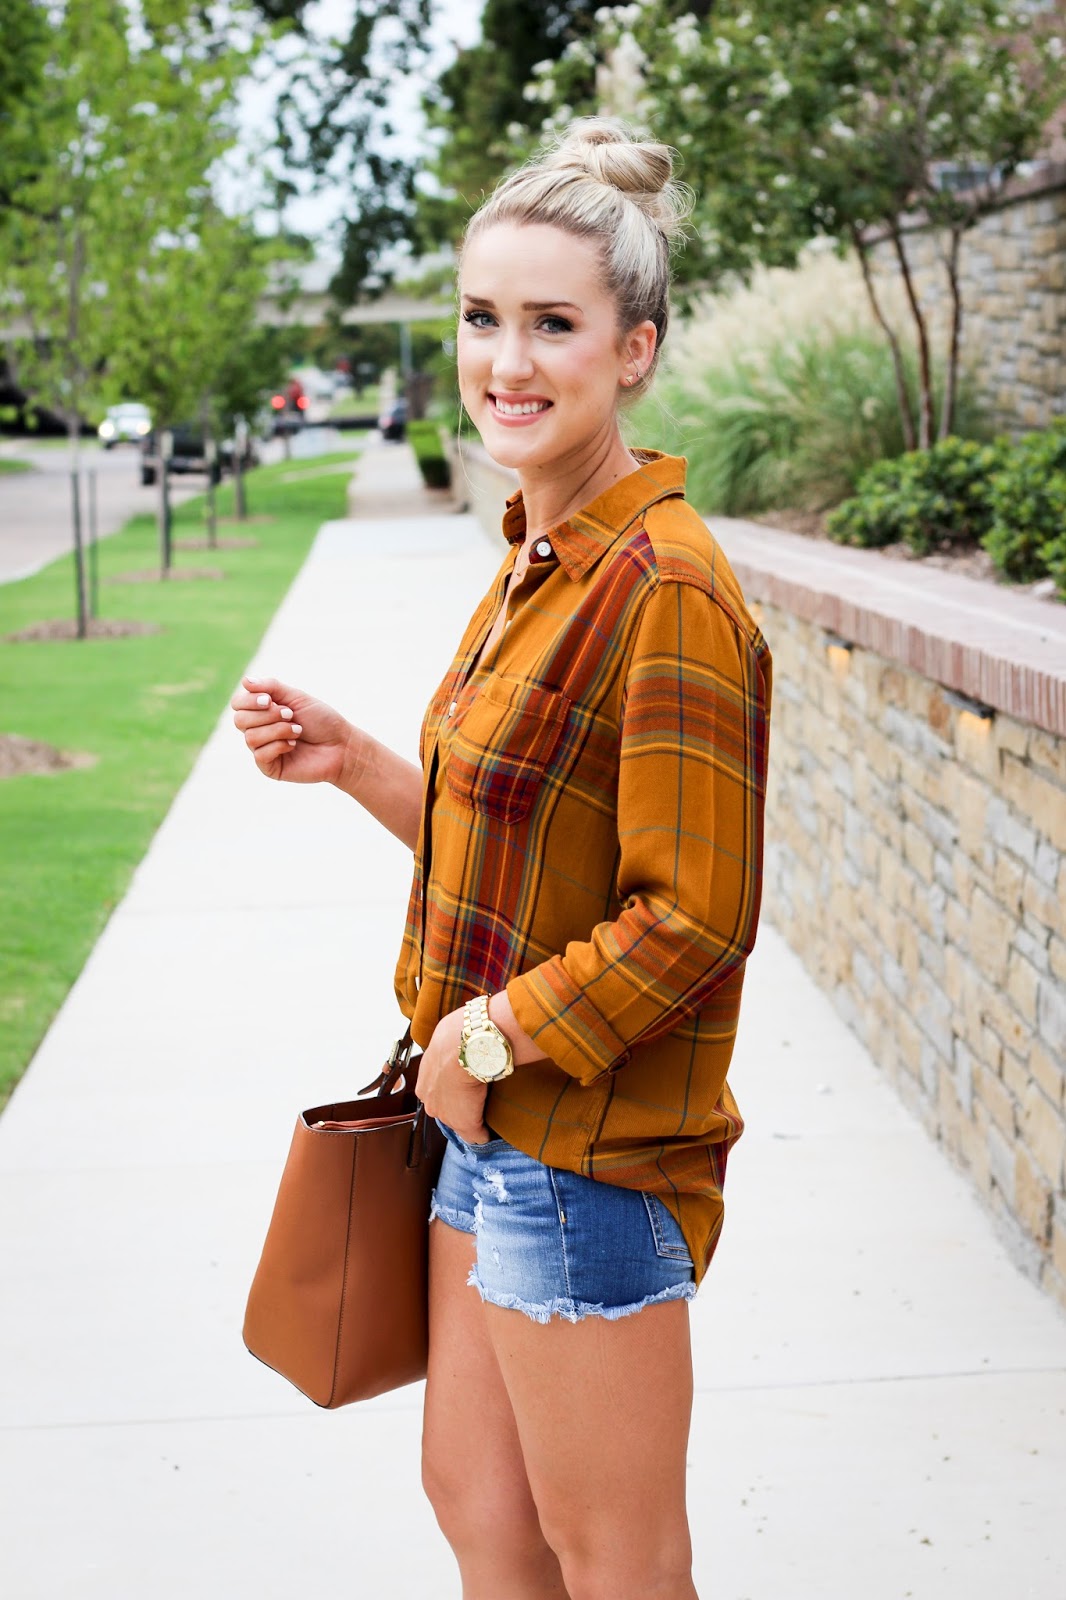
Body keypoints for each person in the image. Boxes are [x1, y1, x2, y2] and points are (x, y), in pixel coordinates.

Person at [232, 119, 771, 1600]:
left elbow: (694, 920)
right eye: (482, 319)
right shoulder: (538, 561)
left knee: (615, 1563)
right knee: (481, 1513)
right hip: (493, 1142)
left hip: (587, 1159)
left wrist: (484, 1033)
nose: (506, 362)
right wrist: (356, 769)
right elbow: (523, 853)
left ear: (634, 349)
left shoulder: (664, 589)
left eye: (553, 324)